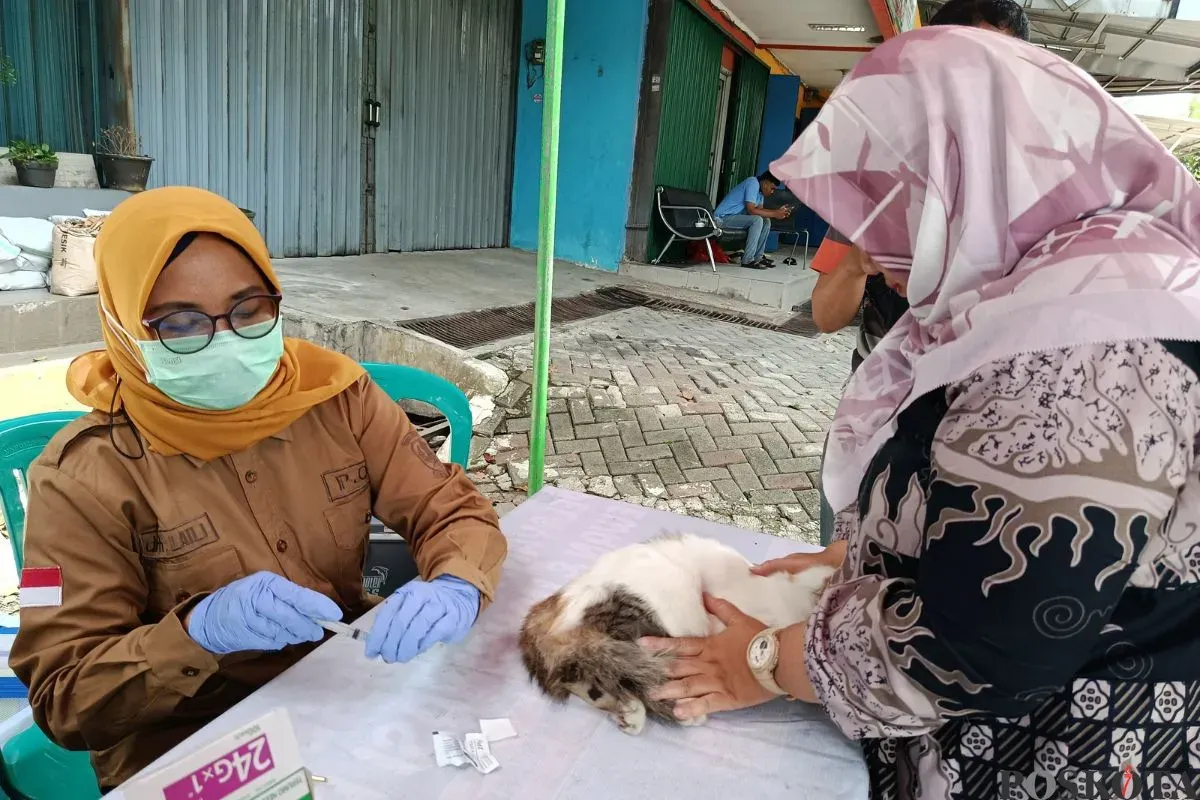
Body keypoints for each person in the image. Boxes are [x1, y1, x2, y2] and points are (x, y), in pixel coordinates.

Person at [641, 27, 1200, 800]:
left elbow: (986, 644)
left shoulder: (1085, 338)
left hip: (1058, 757)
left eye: (888, 198)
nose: (872, 248)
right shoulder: (1046, 287)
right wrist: (868, 554)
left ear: (968, 168)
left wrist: (762, 661)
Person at [10, 188, 508, 790]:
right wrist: (196, 634)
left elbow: (449, 507)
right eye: (180, 323)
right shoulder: (83, 478)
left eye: (249, 310)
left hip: (347, 692)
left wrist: (456, 582)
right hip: (197, 747)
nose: (226, 339)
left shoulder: (336, 398)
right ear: (121, 327)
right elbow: (64, 699)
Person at [810, 0, 1031, 544]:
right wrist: (860, 261)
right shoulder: (882, 176)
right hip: (878, 408)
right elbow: (824, 315)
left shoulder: (1031, 190)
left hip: (982, 418)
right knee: (840, 558)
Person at [713, 170, 792, 269]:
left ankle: (758, 258)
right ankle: (748, 260)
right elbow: (751, 210)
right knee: (757, 220)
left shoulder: (760, 192)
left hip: (734, 218)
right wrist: (775, 213)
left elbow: (760, 210)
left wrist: (778, 212)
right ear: (765, 182)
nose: (772, 192)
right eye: (772, 188)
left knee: (766, 221)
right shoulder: (752, 183)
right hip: (721, 219)